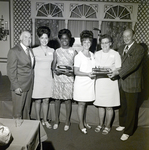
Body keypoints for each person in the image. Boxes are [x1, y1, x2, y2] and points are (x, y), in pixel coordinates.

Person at [109, 29, 144, 141]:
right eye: (124, 36)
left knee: (131, 108)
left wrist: (117, 72)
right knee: (123, 106)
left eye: (129, 36)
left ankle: (128, 131)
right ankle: (123, 124)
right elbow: (116, 62)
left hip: (132, 83)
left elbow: (132, 65)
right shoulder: (120, 48)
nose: (126, 38)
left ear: (133, 35)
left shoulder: (139, 49)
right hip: (122, 82)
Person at [93, 34, 121, 135]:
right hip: (100, 82)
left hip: (111, 82)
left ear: (110, 43)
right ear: (100, 44)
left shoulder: (115, 54)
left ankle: (108, 126)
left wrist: (114, 72)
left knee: (109, 106)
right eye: (102, 43)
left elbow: (118, 68)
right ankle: (100, 124)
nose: (104, 45)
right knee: (101, 105)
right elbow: (94, 67)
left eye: (106, 42)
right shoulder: (96, 54)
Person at [7, 31, 34, 125]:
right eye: (25, 37)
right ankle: (18, 132)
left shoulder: (30, 50)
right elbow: (11, 71)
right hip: (20, 86)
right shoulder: (14, 51)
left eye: (30, 37)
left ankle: (27, 130)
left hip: (29, 84)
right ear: (20, 38)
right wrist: (16, 86)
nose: (28, 39)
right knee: (18, 111)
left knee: (26, 109)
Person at [52, 29, 77, 131]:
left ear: (69, 39)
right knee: (57, 100)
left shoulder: (74, 51)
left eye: (66, 38)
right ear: (59, 39)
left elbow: (76, 68)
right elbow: (53, 66)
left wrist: (70, 73)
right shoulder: (56, 51)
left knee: (67, 100)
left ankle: (67, 121)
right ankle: (56, 120)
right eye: (62, 38)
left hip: (68, 78)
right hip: (58, 78)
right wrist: (55, 71)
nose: (64, 40)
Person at [73, 30, 96, 134]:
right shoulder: (78, 56)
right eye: (85, 42)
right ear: (81, 43)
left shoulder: (92, 54)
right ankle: (80, 124)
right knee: (81, 104)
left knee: (85, 103)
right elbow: (75, 71)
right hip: (81, 83)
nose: (87, 44)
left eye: (89, 42)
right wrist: (87, 74)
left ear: (91, 43)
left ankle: (84, 121)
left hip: (90, 83)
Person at [32, 26, 54, 129]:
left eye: (46, 37)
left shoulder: (52, 50)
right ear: (38, 38)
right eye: (42, 38)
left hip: (48, 79)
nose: (44, 40)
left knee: (46, 100)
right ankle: (37, 121)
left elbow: (54, 66)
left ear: (48, 38)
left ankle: (45, 120)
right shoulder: (33, 50)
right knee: (38, 101)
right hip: (38, 79)